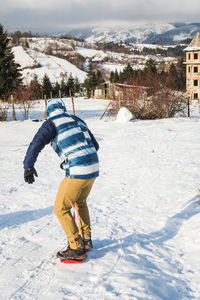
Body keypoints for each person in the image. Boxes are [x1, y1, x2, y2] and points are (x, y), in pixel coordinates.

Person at [23, 98, 99, 261]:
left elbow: (36, 144)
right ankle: (86, 239)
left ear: (48, 111)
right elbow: (95, 145)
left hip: (79, 169)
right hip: (93, 166)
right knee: (80, 202)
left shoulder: (51, 123)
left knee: (60, 208)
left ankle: (76, 247)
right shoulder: (77, 119)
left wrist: (28, 166)